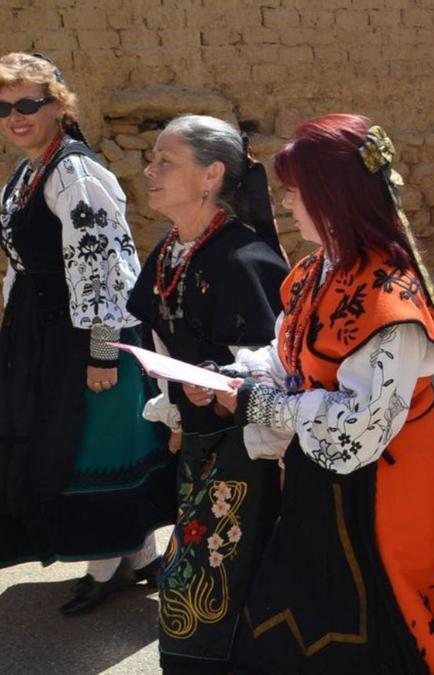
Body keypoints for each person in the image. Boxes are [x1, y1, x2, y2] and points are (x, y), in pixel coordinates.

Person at [214, 114, 434, 673]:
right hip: (323, 481)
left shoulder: (389, 300)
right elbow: (292, 353)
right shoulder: (312, 271)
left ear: (334, 197)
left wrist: (257, 404)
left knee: (382, 627)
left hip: (395, 488)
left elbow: (359, 430)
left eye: (296, 192)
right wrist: (237, 375)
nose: (286, 204)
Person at [0, 52, 172, 614]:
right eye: (4, 107)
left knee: (96, 445)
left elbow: (104, 267)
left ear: (59, 106)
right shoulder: (29, 170)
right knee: (73, 443)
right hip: (44, 332)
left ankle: (106, 569)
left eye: (28, 103)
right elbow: (23, 263)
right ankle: (140, 557)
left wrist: (102, 353)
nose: (15, 116)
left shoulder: (74, 171)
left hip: (88, 336)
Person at [126, 114, 289, 672]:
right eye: (152, 158)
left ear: (211, 174)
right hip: (198, 443)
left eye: (165, 160)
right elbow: (159, 337)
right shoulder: (171, 250)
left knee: (214, 571)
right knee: (196, 570)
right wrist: (174, 414)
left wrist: (217, 382)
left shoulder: (245, 259)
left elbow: (271, 360)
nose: (150, 170)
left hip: (246, 447)